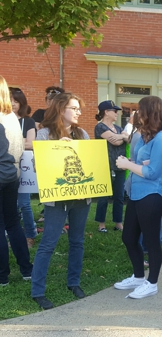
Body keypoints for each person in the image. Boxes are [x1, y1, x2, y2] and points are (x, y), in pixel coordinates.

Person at [31, 93, 91, 309]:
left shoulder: (82, 134)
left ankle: (73, 282)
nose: (79, 112)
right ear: (60, 109)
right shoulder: (44, 134)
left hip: (81, 197)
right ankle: (38, 291)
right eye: (74, 108)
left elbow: (89, 164)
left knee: (77, 241)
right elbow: (40, 167)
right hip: (57, 199)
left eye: (78, 108)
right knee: (48, 243)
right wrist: (57, 148)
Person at [114, 96, 162, 299]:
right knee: (129, 237)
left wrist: (128, 165)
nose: (136, 114)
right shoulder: (142, 136)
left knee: (150, 240)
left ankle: (152, 283)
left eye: (140, 110)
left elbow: (152, 173)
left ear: (151, 112)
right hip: (137, 192)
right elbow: (140, 161)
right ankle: (139, 277)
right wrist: (135, 163)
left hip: (154, 194)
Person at [0, 76, 33, 286]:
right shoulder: (11, 116)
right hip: (12, 175)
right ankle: (26, 269)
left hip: (4, 174)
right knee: (12, 223)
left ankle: (2, 276)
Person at [94, 100, 128, 233]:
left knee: (119, 196)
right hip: (105, 165)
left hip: (120, 165)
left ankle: (118, 223)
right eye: (114, 111)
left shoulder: (118, 128)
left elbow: (124, 139)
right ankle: (101, 224)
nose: (117, 114)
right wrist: (122, 137)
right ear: (106, 112)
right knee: (104, 196)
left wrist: (120, 137)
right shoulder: (100, 127)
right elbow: (115, 141)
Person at [10, 87, 37, 248]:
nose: (13, 104)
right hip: (7, 167)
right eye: (10, 100)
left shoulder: (28, 121)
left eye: (16, 101)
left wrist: (12, 142)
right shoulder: (4, 120)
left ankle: (30, 234)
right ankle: (12, 233)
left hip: (24, 166)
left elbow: (31, 143)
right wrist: (21, 141)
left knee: (24, 203)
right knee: (9, 204)